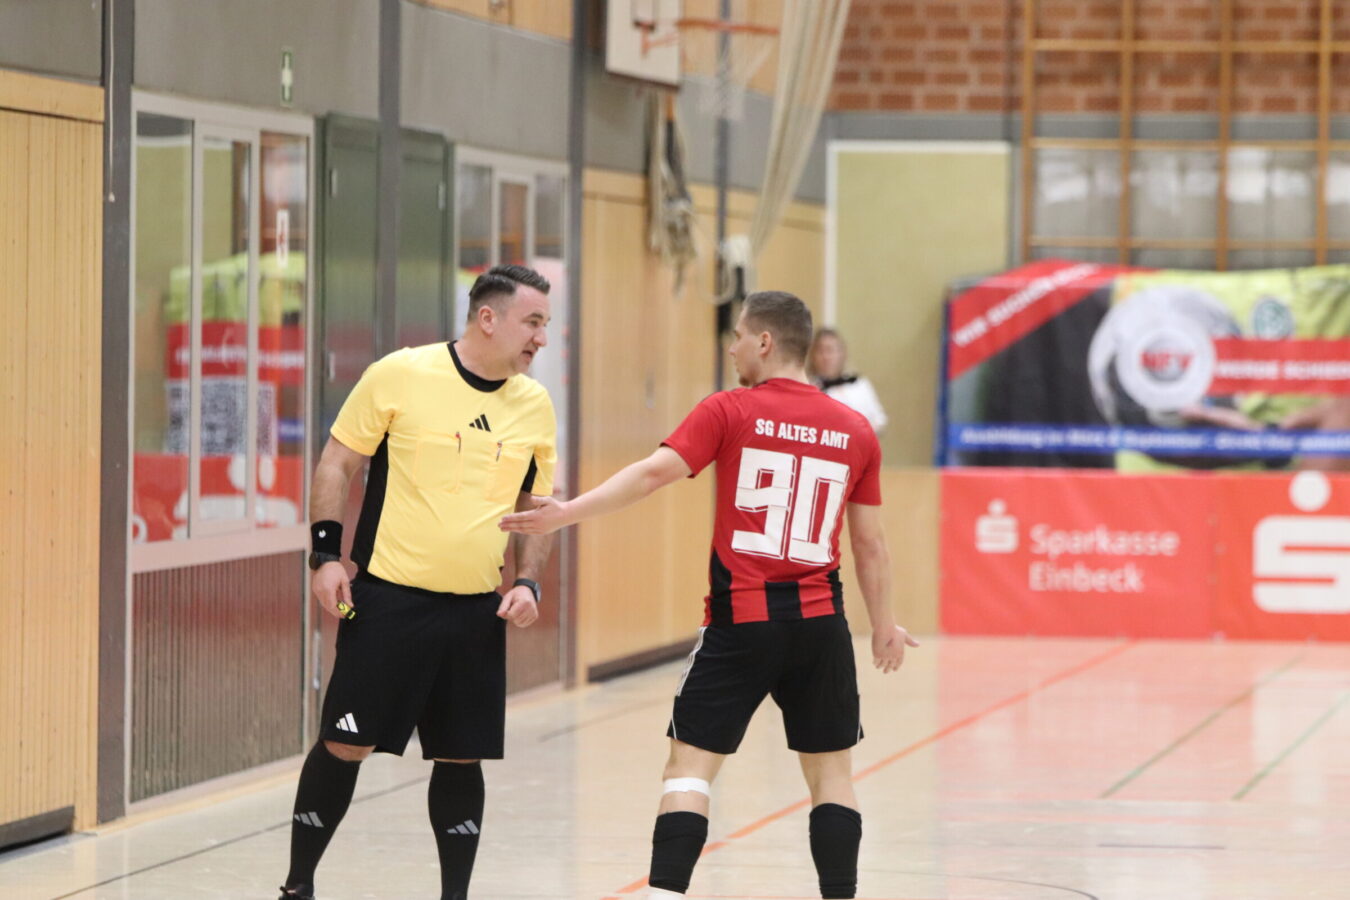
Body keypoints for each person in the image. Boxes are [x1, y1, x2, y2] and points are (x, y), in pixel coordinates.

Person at [501, 291, 920, 900]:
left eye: (738, 336)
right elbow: (870, 545)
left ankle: (664, 895)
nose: (732, 348)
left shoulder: (730, 409)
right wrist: (883, 624)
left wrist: (566, 513)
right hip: (821, 625)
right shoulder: (855, 429)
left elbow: (651, 474)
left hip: (740, 623)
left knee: (689, 768)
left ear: (765, 342)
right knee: (832, 776)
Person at [279, 264, 558, 900]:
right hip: (387, 603)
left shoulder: (533, 404)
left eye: (545, 324)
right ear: (488, 318)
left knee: (461, 754)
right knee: (345, 743)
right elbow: (337, 463)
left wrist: (528, 583)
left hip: (474, 613)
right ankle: (297, 887)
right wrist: (325, 556)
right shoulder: (401, 373)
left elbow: (537, 505)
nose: (541, 338)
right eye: (532, 322)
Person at [808, 328, 888, 435]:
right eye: (820, 351)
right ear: (812, 356)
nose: (826, 357)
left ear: (842, 353)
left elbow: (880, 420)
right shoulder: (808, 389)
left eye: (830, 350)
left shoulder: (859, 384)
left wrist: (861, 432)